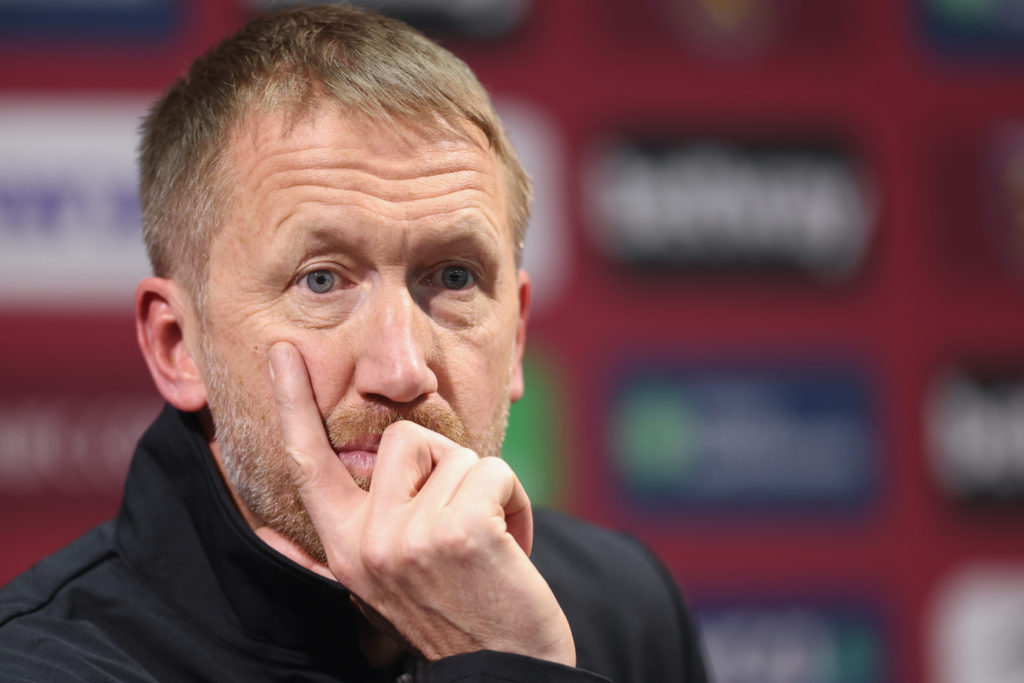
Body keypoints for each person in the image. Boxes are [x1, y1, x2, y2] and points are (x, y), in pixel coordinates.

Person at [0, 5, 709, 681]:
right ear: (178, 346)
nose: (401, 370)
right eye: (321, 281)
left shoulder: (625, 604)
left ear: (517, 334)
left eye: (454, 276)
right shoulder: (39, 665)